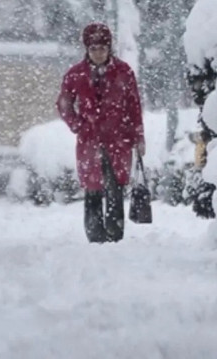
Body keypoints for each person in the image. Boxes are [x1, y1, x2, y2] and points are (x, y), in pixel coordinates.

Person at [56, 23, 145, 243]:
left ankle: (115, 233)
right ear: (87, 49)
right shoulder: (75, 74)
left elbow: (134, 107)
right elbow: (64, 105)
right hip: (89, 141)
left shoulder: (124, 72)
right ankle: (95, 234)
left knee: (115, 187)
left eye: (102, 48)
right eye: (94, 48)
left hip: (119, 139)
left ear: (109, 48)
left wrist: (138, 136)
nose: (98, 53)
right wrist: (79, 125)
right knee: (93, 187)